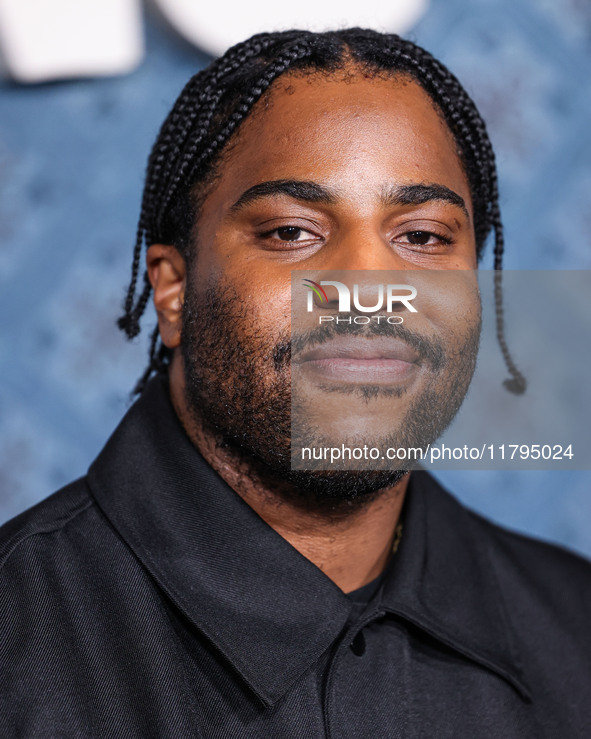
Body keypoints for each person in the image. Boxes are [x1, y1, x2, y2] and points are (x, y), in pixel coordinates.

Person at [1, 28, 590, 738]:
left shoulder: (573, 627)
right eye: (291, 232)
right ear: (173, 290)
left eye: (424, 237)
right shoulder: (19, 641)